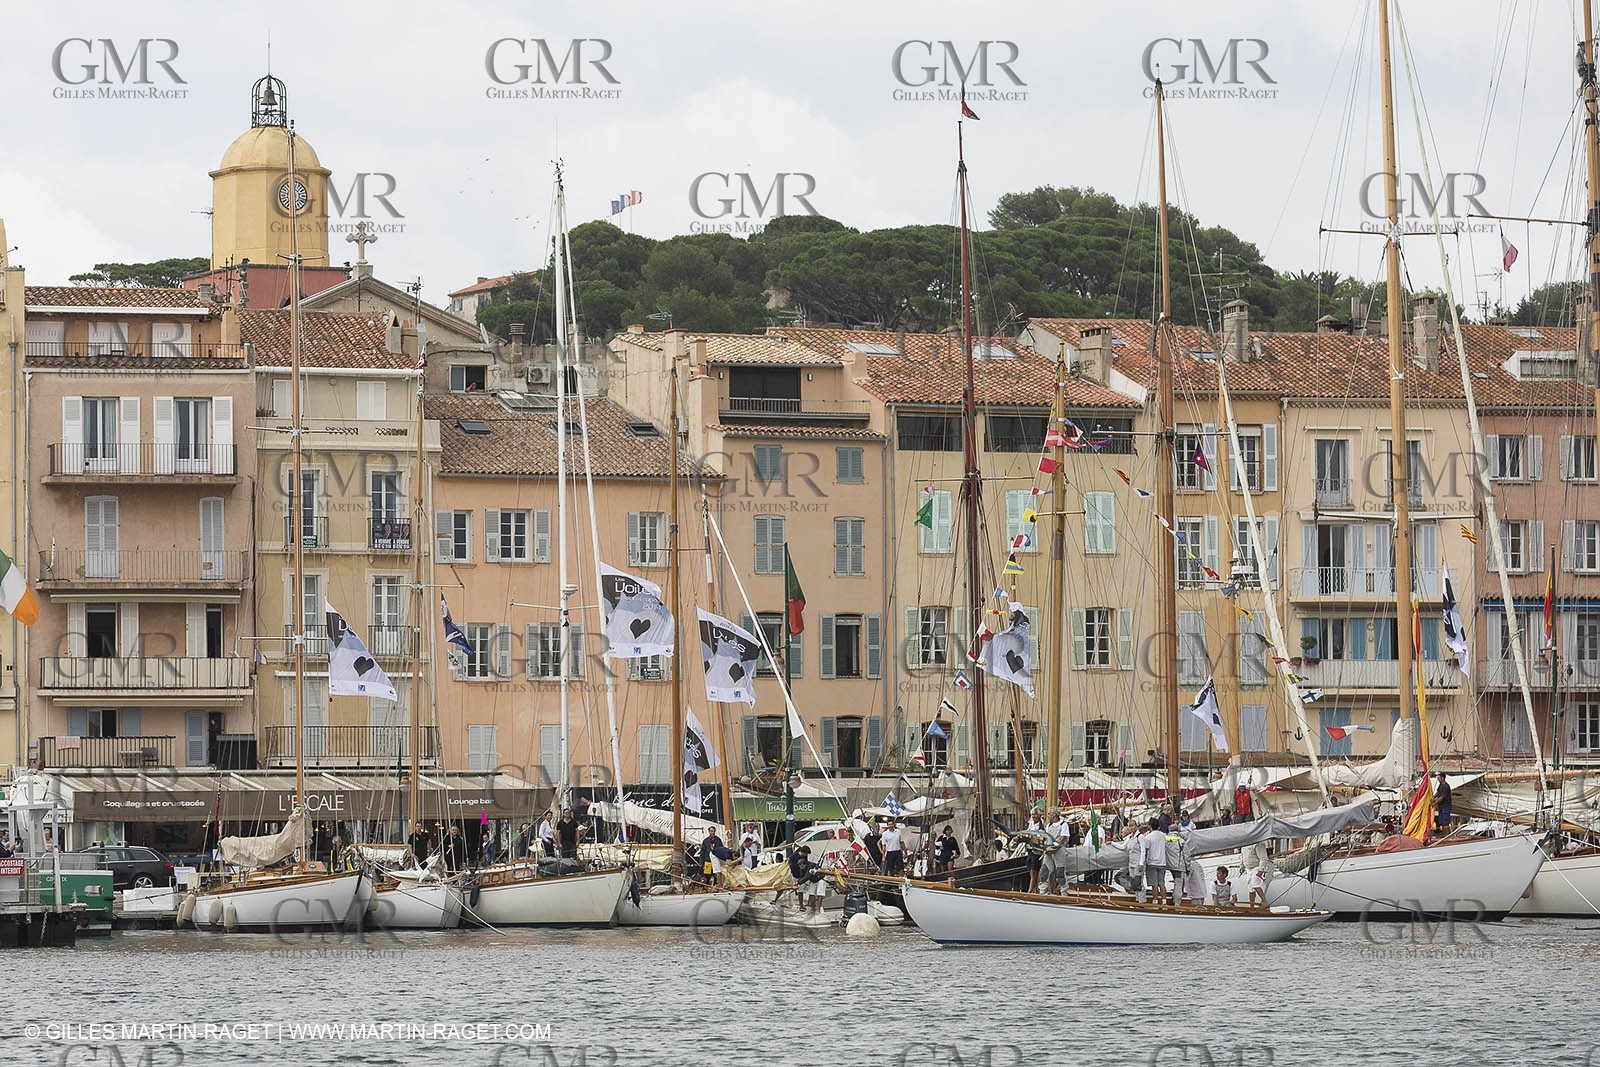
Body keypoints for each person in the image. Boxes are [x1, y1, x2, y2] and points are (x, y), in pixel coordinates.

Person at [1138, 818, 1167, 904]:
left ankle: (1155, 901)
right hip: (1162, 862)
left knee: (1154, 884)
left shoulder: (1148, 837)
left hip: (1152, 862)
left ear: (1150, 826)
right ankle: (1164, 901)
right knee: (1161, 883)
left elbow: (1145, 850)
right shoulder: (1163, 835)